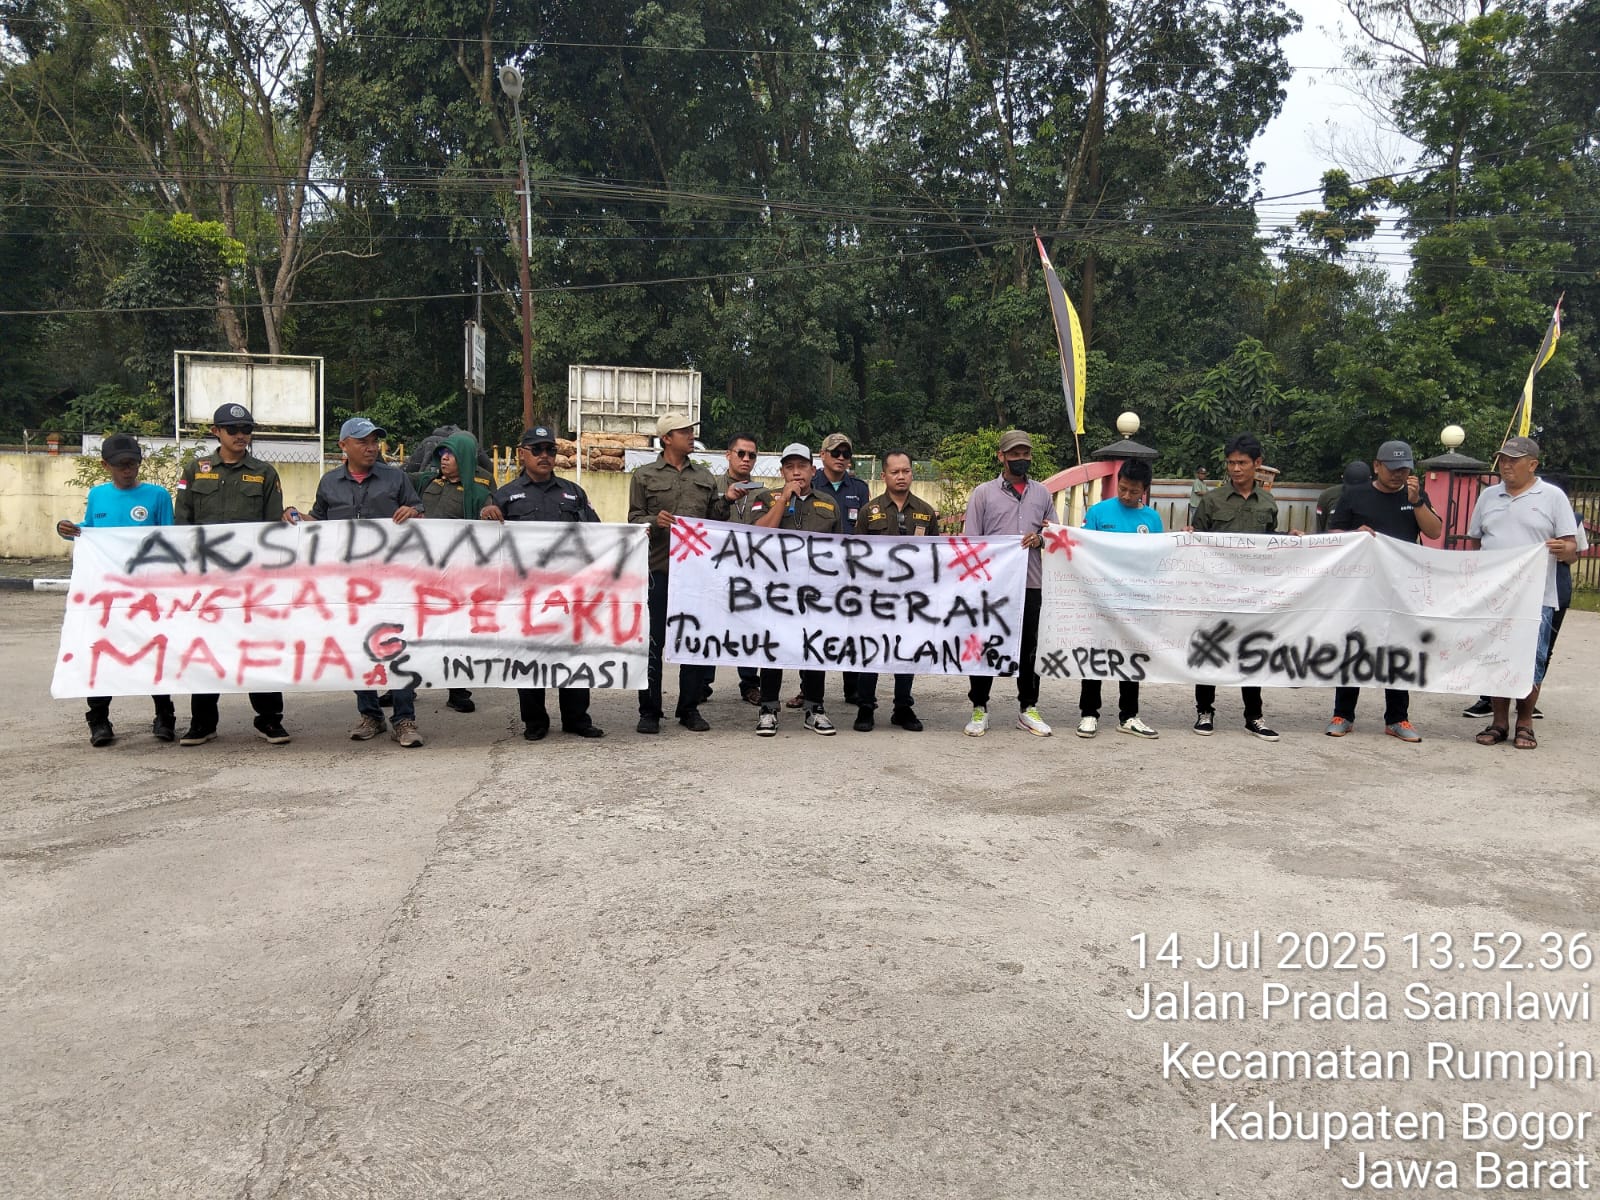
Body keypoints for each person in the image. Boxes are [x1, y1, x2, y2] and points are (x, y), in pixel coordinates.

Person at [172, 402, 294, 746]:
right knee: (205, 648)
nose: (241, 436)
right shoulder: (195, 470)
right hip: (206, 580)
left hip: (250, 581)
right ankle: (203, 723)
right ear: (216, 432)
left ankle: (269, 720)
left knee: (258, 646)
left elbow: (272, 530)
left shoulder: (264, 473)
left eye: (246, 430)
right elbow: (182, 524)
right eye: (233, 430)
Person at [305, 416, 427, 748]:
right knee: (358, 646)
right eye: (363, 442)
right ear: (343, 446)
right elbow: (318, 521)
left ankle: (404, 719)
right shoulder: (329, 483)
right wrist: (296, 519)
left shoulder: (396, 478)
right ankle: (370, 714)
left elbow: (420, 513)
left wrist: (413, 513)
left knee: (396, 646)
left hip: (392, 581)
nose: (371, 448)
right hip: (347, 585)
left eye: (375, 441)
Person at [481, 426, 606, 741]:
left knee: (572, 652)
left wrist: (631, 539)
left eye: (550, 449)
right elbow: (486, 545)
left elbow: (598, 534)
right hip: (526, 594)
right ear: (522, 453)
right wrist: (487, 515)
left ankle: (577, 719)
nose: (545, 455)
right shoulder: (504, 496)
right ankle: (535, 721)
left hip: (569, 591)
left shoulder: (573, 493)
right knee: (529, 655)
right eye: (537, 449)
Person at [55, 433, 177, 748]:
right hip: (107, 594)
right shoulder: (98, 495)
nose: (128, 469)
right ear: (105, 465)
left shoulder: (158, 496)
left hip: (148, 593)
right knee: (100, 651)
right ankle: (99, 719)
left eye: (133, 463)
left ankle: (165, 716)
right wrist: (70, 530)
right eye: (121, 464)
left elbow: (171, 539)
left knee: (155, 651)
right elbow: (90, 531)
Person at [1464, 437, 1578, 750]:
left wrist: (1563, 548)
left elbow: (1572, 548)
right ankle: (1499, 722)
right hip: (1494, 596)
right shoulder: (1488, 496)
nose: (1506, 465)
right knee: (1495, 657)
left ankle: (1525, 723)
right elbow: (1476, 541)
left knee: (1531, 659)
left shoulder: (1552, 497)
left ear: (1532, 464)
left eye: (1514, 460)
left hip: (1536, 596)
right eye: (1503, 459)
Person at [1325, 440, 1442, 742]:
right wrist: (1353, 534)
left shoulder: (1414, 495)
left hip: (1401, 587)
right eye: (1392, 468)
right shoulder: (1355, 495)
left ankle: (1397, 718)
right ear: (1377, 466)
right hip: (1360, 587)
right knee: (1355, 646)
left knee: (1398, 649)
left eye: (1404, 469)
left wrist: (1417, 502)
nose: (1398, 475)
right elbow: (1332, 533)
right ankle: (1343, 714)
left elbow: (1434, 531)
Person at [627, 412, 717, 734]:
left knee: (692, 640)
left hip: (695, 574)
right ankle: (649, 711)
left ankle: (689, 708)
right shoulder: (643, 476)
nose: (691, 436)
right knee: (652, 643)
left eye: (692, 431)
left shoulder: (705, 478)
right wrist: (653, 521)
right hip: (657, 570)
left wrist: (728, 501)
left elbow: (714, 523)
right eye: (684, 432)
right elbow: (633, 519)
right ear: (666, 438)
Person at [1188, 433, 1282, 741]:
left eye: (1242, 463)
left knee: (1251, 650)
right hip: (1215, 590)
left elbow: (1271, 542)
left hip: (1253, 593)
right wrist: (1188, 535)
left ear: (1257, 463)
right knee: (1210, 648)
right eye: (1231, 463)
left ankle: (1254, 716)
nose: (1236, 469)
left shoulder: (1268, 502)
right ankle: (1204, 711)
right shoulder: (1212, 500)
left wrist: (1291, 540)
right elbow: (1196, 541)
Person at [742, 444, 841, 735]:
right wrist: (783, 501)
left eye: (802, 466)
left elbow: (839, 550)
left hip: (816, 591)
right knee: (773, 647)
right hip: (776, 590)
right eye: (789, 467)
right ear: (782, 471)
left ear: (813, 470)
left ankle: (815, 708)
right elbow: (757, 535)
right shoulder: (765, 498)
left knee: (814, 648)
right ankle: (768, 709)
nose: (796, 472)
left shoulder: (828, 503)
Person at [962, 429, 1053, 737]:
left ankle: (1028, 707)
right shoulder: (983, 494)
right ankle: (979, 707)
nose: (1021, 458)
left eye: (1025, 453)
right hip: (992, 587)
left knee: (1029, 647)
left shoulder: (1042, 494)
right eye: (1014, 454)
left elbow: (1054, 533)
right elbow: (971, 541)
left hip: (1030, 583)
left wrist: (1040, 539)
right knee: (986, 644)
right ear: (1001, 456)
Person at [782, 431, 874, 712]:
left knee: (850, 628)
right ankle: (806, 689)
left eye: (846, 453)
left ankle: (852, 687)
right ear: (821, 457)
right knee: (811, 629)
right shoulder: (809, 483)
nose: (841, 458)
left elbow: (863, 527)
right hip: (810, 572)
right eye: (835, 453)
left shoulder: (859, 488)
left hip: (849, 567)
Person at [1075, 459, 1162, 741]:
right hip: (1100, 597)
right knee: (1096, 654)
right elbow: (1081, 548)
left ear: (1144, 490)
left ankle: (1129, 715)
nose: (1126, 495)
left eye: (1133, 491)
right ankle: (1089, 713)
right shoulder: (1098, 512)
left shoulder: (1152, 519)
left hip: (1134, 600)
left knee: (1130, 655)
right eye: (1122, 488)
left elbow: (1158, 557)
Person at [854, 449, 938, 732]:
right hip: (875, 597)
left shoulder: (926, 512)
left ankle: (903, 707)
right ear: (884, 475)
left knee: (908, 650)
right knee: (871, 650)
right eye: (895, 472)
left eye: (906, 471)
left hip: (912, 598)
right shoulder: (869, 511)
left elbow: (936, 556)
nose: (901, 476)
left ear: (912, 473)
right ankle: (866, 706)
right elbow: (857, 554)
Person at [415, 429, 495, 715]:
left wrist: (489, 514)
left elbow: (489, 521)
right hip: (421, 571)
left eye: (451, 453)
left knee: (456, 633)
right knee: (416, 630)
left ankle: (458, 689)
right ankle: (404, 685)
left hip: (458, 576)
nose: (444, 458)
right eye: (442, 453)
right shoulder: (427, 481)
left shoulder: (481, 492)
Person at [710, 432, 763, 706]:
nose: (746, 459)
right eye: (740, 453)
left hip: (750, 571)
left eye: (751, 455)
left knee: (748, 626)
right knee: (710, 624)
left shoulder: (763, 492)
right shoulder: (711, 487)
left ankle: (750, 683)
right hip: (715, 567)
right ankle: (701, 684)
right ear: (728, 455)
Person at [1316, 461, 1371, 533]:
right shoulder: (1327, 496)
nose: (1354, 492)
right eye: (1351, 488)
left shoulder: (1375, 497)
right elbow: (1320, 527)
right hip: (1335, 538)